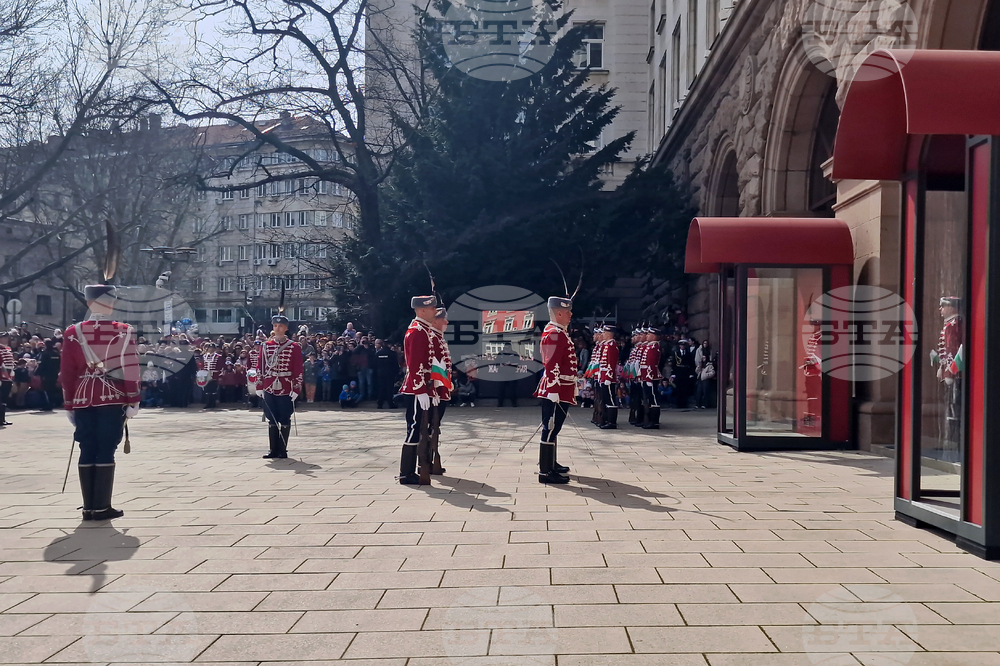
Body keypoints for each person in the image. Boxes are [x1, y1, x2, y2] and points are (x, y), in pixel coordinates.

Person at [60, 284, 141, 520]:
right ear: (112, 303)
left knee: (87, 447)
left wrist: (69, 403)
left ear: (88, 302)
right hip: (112, 396)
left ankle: (88, 507)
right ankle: (102, 506)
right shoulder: (123, 331)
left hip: (83, 397)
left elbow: (67, 372)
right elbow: (130, 368)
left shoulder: (72, 332)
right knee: (106, 448)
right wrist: (133, 398)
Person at [534, 295, 577, 484]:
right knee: (550, 427)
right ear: (559, 313)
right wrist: (553, 388)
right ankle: (545, 472)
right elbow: (551, 364)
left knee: (554, 427)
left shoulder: (559, 331)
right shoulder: (554, 333)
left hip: (562, 388)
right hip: (555, 389)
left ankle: (550, 462)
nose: (570, 315)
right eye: (567, 312)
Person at [397, 295, 438, 485]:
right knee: (414, 427)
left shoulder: (424, 330)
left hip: (422, 386)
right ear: (422, 310)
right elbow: (414, 364)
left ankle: (413, 469)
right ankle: (406, 472)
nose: (434, 312)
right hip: (416, 388)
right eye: (431, 309)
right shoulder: (416, 331)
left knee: (420, 427)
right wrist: (420, 389)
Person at [255, 311, 303, 459]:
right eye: (275, 325)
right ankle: (273, 450)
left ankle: (283, 449)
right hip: (269, 385)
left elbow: (298, 368)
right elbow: (260, 366)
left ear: (286, 328)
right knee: (271, 418)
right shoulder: (265, 345)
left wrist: (296, 388)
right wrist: (259, 385)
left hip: (286, 385)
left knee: (284, 417)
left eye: (280, 326)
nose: (277, 328)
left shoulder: (294, 347)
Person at [640, 327, 663, 429]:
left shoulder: (654, 347)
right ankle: (649, 420)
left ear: (654, 336)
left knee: (654, 398)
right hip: (647, 375)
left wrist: (649, 378)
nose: (647, 336)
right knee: (649, 398)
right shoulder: (649, 347)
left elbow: (652, 364)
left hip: (652, 376)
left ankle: (655, 422)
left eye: (649, 334)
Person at [598, 325, 620, 429]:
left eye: (604, 333)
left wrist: (608, 377)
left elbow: (611, 363)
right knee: (606, 399)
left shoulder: (612, 345)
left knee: (610, 399)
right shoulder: (607, 345)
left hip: (608, 377)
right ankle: (607, 420)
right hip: (604, 376)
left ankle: (612, 422)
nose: (602, 334)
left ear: (609, 334)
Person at [373, 338, 398, 408]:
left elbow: (375, 364)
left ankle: (380, 404)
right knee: (389, 389)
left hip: (380, 373)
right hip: (390, 374)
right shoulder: (392, 354)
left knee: (381, 388)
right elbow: (395, 364)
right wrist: (396, 373)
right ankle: (390, 403)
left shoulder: (378, 353)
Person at [37, 338, 61, 411]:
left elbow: (41, 365)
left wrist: (37, 373)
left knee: (46, 391)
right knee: (52, 390)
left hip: (46, 375)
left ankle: (48, 405)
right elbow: (59, 365)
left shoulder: (44, 353)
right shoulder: (56, 354)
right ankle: (53, 403)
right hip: (54, 374)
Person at [202, 342, 221, 409]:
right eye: (210, 348)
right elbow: (203, 366)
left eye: (212, 348)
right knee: (207, 390)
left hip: (214, 374)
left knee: (213, 390)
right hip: (206, 375)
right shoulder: (204, 356)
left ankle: (213, 403)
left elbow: (220, 367)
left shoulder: (218, 357)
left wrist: (218, 375)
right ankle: (207, 403)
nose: (211, 349)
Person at [0, 331, 13, 426]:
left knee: (4, 399)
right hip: (2, 376)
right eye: (3, 337)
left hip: (8, 376)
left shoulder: (8, 349)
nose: (6, 339)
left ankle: (2, 419)